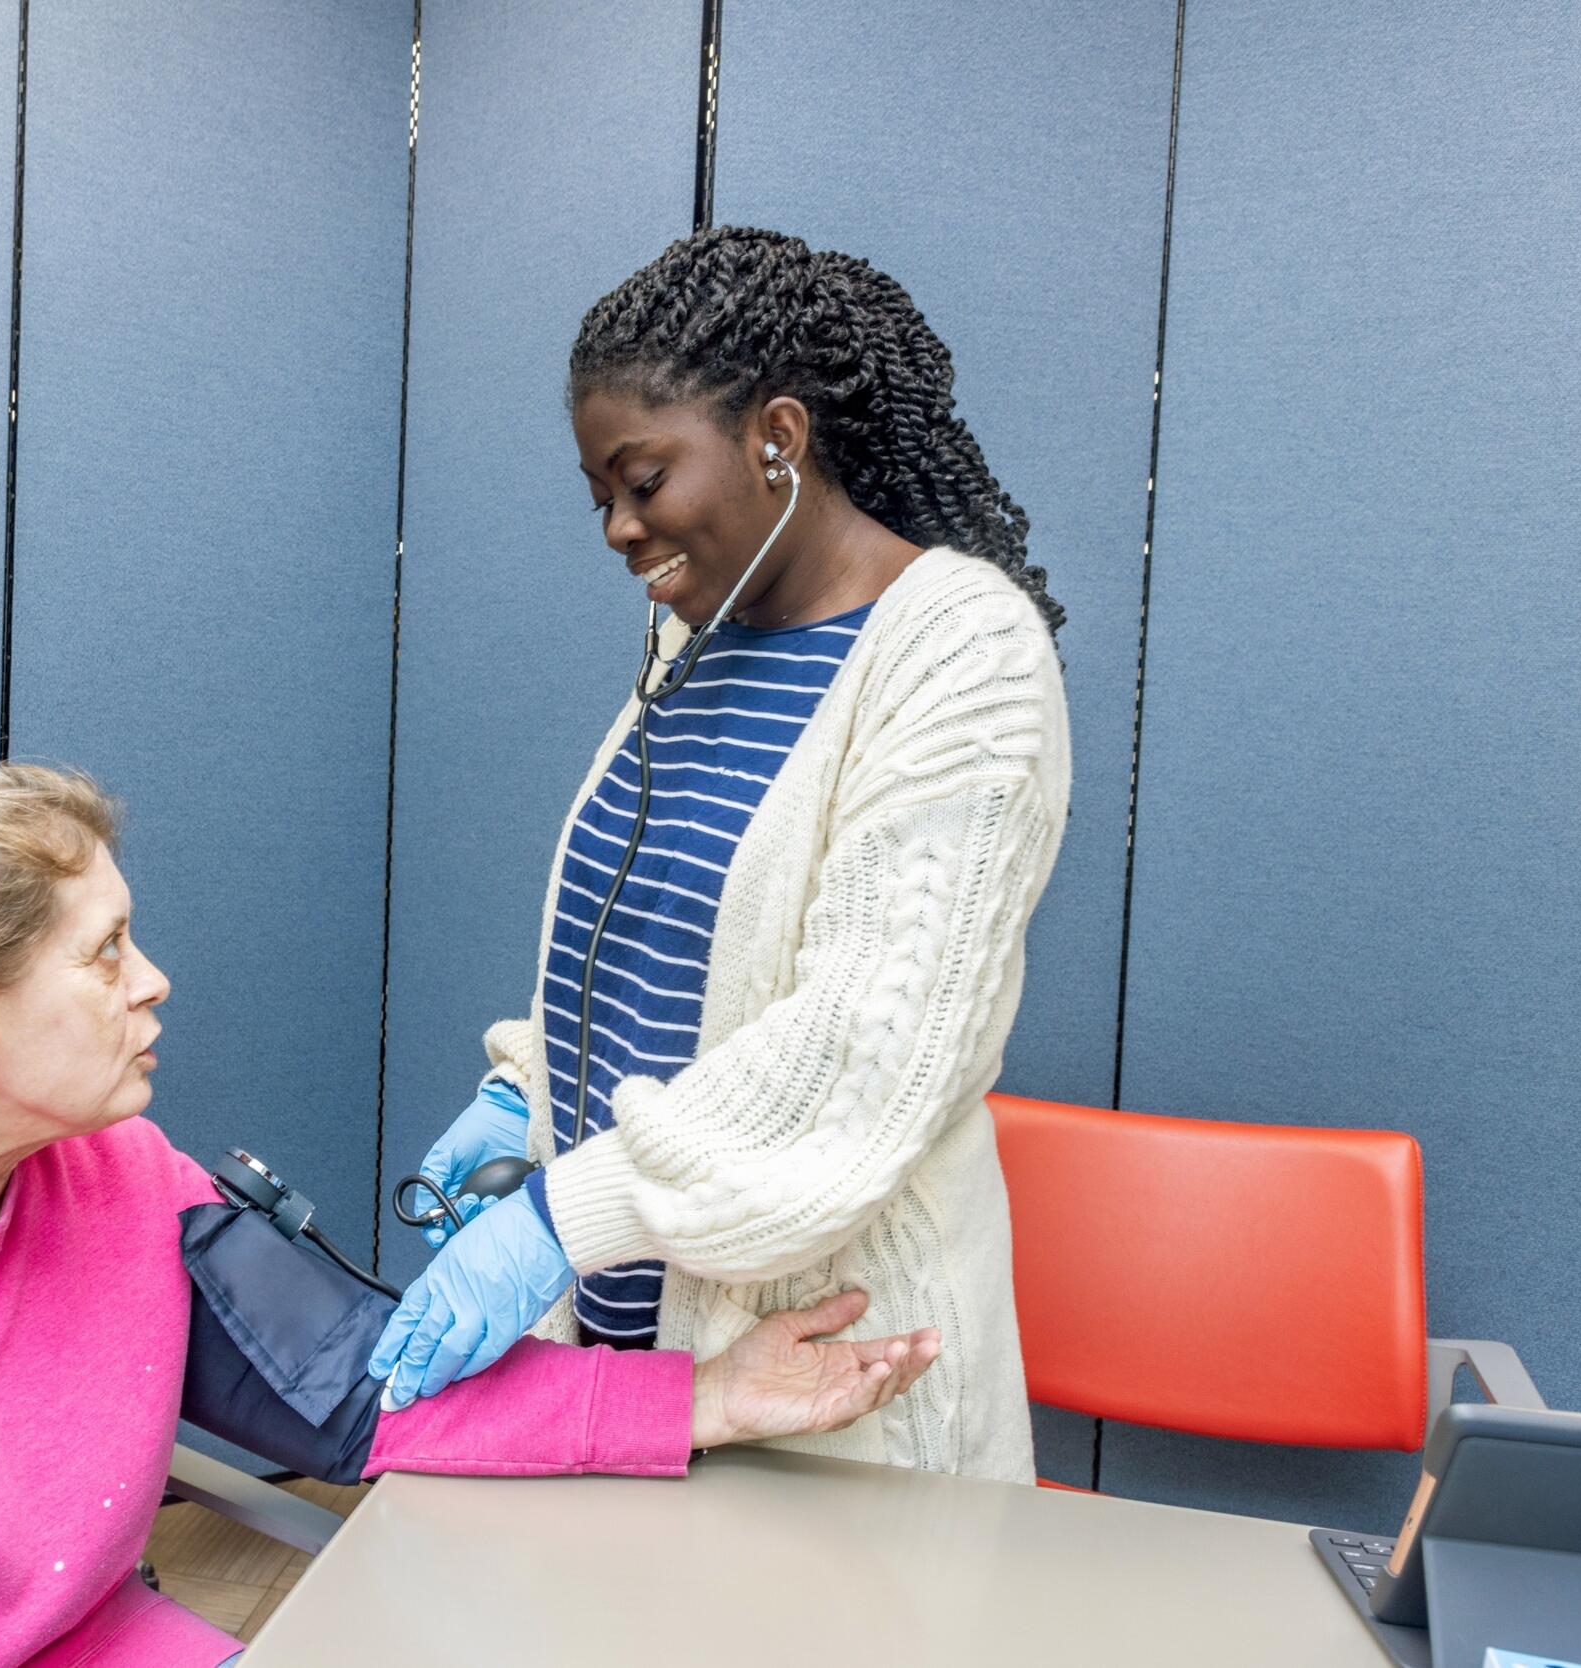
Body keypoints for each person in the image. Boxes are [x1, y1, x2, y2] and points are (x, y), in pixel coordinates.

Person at [0, 759, 942, 1667]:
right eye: (105, 952)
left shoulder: (112, 1178)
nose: (153, 982)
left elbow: (362, 1396)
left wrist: (710, 1400)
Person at [372, 227, 1069, 1486]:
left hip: (837, 1382)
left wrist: (551, 1220)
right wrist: (522, 1095)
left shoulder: (961, 651)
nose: (619, 529)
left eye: (642, 480)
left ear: (779, 439)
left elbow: (863, 1047)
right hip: (633, 1361)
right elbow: (646, 950)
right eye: (601, 497)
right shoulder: (696, 645)